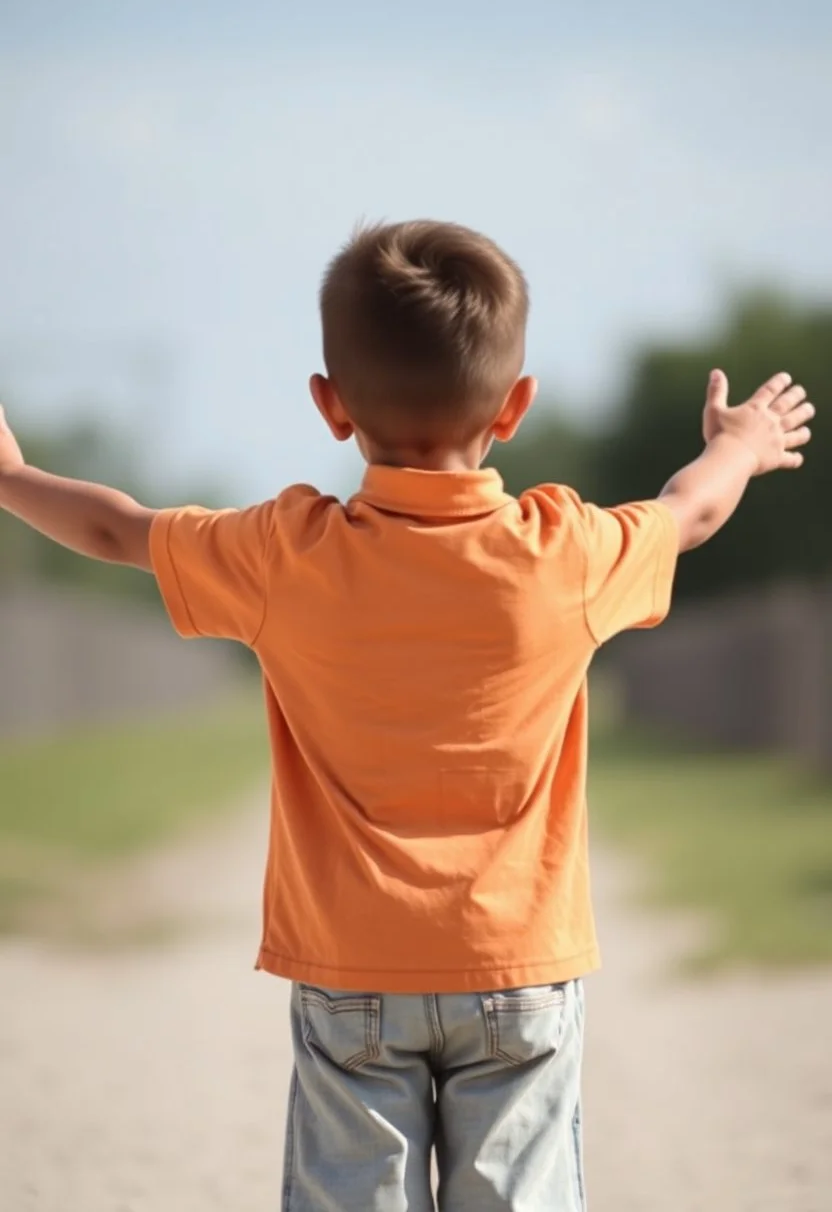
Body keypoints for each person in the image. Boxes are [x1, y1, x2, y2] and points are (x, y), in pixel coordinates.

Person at [0, 220, 814, 1211]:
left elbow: (117, 528)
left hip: (352, 969)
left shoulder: (285, 556)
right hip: (517, 967)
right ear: (515, 407)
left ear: (329, 406)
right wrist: (740, 445)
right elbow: (688, 512)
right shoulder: (564, 553)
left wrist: (9, 478)